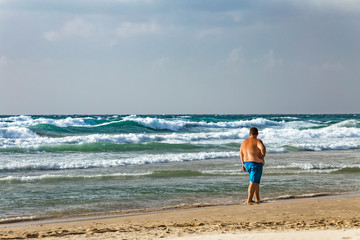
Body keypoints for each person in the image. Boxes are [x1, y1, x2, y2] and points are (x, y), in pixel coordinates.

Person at [240, 127, 266, 204]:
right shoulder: (257, 141)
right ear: (257, 134)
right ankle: (249, 199)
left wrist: (243, 164)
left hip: (247, 163)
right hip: (255, 164)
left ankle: (257, 198)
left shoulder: (244, 142)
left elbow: (241, 153)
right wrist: (263, 155)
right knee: (253, 181)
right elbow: (262, 147)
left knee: (256, 182)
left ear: (249, 134)